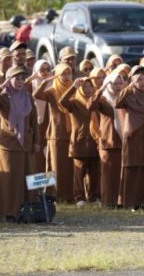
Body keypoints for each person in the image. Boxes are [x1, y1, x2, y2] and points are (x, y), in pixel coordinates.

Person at [0, 66, 38, 221]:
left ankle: (27, 210)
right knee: (10, 179)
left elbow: (34, 121)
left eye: (23, 78)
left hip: (26, 144)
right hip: (9, 144)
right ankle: (8, 212)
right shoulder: (4, 96)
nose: (20, 81)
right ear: (9, 79)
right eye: (17, 78)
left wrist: (37, 141)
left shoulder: (28, 97)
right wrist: (0, 87)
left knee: (27, 178)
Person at [115, 65, 144, 209]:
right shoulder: (129, 94)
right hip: (133, 135)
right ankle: (130, 201)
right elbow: (117, 103)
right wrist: (129, 87)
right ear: (133, 79)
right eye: (138, 78)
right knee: (132, 166)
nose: (142, 82)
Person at [32, 63, 75, 204]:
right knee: (55, 165)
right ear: (57, 74)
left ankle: (68, 195)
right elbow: (36, 95)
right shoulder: (52, 91)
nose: (66, 76)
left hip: (72, 131)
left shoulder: (74, 89)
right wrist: (45, 82)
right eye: (62, 73)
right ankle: (53, 194)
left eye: (68, 73)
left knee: (69, 166)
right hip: (56, 132)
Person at [59, 76, 100, 206]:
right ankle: (79, 197)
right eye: (84, 87)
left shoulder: (96, 102)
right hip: (79, 141)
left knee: (94, 171)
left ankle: (93, 197)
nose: (88, 89)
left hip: (95, 141)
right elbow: (62, 101)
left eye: (90, 87)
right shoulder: (75, 103)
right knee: (79, 172)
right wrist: (73, 87)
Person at [96, 65, 126, 208]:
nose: (117, 86)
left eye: (120, 83)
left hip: (122, 140)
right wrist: (101, 89)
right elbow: (90, 106)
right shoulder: (103, 99)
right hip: (107, 141)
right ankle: (107, 201)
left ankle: (120, 201)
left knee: (120, 173)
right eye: (114, 83)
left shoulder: (124, 98)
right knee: (107, 174)